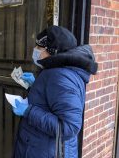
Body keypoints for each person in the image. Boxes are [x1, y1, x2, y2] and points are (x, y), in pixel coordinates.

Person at [11, 25, 98, 158]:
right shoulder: (58, 70)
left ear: (52, 51)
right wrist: (35, 86)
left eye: (39, 47)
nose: (35, 50)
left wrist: (28, 111)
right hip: (42, 147)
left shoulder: (60, 76)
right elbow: (53, 99)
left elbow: (69, 127)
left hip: (48, 151)